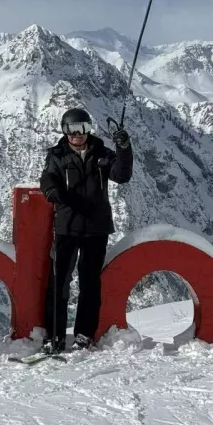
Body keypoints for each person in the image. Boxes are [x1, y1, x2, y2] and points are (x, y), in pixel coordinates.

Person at [39, 108, 133, 354]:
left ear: (89, 129)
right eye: (71, 129)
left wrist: (123, 148)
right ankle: (55, 336)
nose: (77, 134)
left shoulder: (102, 154)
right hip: (67, 227)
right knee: (59, 281)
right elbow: (47, 179)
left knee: (90, 283)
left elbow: (122, 175)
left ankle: (84, 334)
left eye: (82, 128)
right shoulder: (57, 155)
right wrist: (54, 193)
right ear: (64, 131)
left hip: (95, 229)